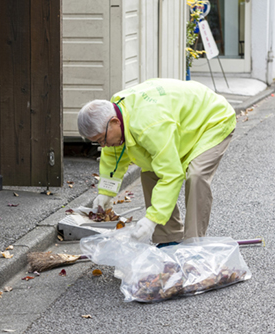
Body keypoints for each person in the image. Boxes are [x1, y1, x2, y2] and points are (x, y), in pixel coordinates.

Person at [77, 78, 235, 246]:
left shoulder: (149, 125)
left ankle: (194, 246)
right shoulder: (115, 113)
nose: (103, 145)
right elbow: (113, 156)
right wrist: (106, 192)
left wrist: (152, 219)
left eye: (102, 140)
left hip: (212, 120)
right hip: (184, 125)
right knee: (150, 173)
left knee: (196, 176)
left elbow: (171, 174)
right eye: (98, 142)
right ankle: (168, 239)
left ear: (114, 122)